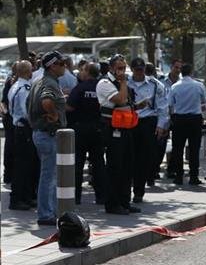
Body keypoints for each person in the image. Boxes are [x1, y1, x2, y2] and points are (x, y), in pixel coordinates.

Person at [27, 51, 68, 226]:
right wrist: (54, 115)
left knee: (48, 175)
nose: (64, 66)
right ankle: (45, 214)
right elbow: (46, 101)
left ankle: (49, 211)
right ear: (52, 66)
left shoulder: (39, 81)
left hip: (41, 133)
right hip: (47, 134)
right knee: (49, 176)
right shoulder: (49, 83)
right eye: (61, 63)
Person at [96, 54, 140, 215]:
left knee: (128, 166)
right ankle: (113, 204)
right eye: (119, 68)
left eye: (124, 68)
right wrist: (123, 82)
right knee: (115, 167)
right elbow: (120, 100)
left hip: (126, 129)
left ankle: (124, 201)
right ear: (111, 68)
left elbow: (128, 102)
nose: (122, 71)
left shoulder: (121, 83)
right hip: (113, 130)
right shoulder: (105, 83)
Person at [128, 57, 168, 201]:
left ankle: (139, 191)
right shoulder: (124, 83)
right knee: (128, 157)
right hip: (129, 122)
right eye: (136, 69)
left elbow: (163, 107)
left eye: (141, 69)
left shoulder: (155, 85)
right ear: (132, 69)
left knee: (144, 158)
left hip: (147, 122)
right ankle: (127, 188)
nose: (139, 72)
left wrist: (161, 125)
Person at [67, 62, 107, 205]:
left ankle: (76, 197)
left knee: (77, 164)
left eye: (83, 70)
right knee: (98, 164)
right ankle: (101, 196)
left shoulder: (80, 88)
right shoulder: (102, 87)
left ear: (88, 72)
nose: (80, 72)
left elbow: (69, 107)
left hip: (80, 130)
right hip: (98, 129)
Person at [168, 63, 206, 185]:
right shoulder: (199, 86)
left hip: (179, 119)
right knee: (194, 149)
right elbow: (203, 101)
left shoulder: (175, 87)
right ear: (191, 72)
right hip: (195, 119)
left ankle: (179, 176)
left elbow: (170, 104)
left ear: (181, 73)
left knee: (178, 149)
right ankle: (194, 176)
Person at [7, 60, 38, 211]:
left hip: (18, 128)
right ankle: (17, 199)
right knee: (23, 166)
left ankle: (24, 197)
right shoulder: (24, 88)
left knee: (25, 165)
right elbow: (27, 112)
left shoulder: (14, 86)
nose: (33, 71)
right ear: (27, 72)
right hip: (24, 129)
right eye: (31, 69)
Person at [159, 59, 183, 179]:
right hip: (164, 116)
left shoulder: (183, 82)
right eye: (176, 67)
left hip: (177, 116)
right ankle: (155, 167)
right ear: (171, 67)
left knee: (177, 145)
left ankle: (172, 169)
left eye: (179, 68)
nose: (178, 70)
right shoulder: (161, 81)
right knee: (161, 143)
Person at [1, 61, 18, 184]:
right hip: (12, 119)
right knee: (11, 146)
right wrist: (7, 113)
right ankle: (9, 174)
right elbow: (3, 102)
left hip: (10, 118)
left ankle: (9, 174)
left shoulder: (10, 82)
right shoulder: (12, 82)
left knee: (10, 145)